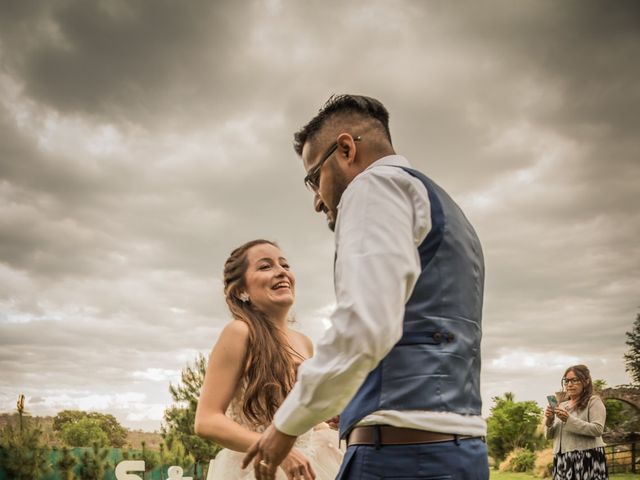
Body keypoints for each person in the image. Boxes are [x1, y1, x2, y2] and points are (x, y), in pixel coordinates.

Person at [243, 94, 488, 479]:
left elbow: (365, 326)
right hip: (461, 452)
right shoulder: (448, 210)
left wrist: (284, 426)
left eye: (313, 178)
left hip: (400, 458)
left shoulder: (371, 187)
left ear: (345, 148)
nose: (317, 201)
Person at [194, 239, 343, 480]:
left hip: (307, 467)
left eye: (284, 265)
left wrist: (327, 421)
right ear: (241, 291)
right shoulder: (240, 332)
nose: (281, 271)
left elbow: (306, 423)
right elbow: (207, 420)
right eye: (265, 267)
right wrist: (277, 451)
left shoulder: (304, 342)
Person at [545, 365, 608, 480]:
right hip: (562, 460)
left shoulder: (593, 401)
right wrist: (550, 420)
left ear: (586, 381)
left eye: (574, 380)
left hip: (586, 457)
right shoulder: (562, 405)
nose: (569, 384)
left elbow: (597, 429)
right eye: (566, 381)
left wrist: (568, 419)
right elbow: (549, 436)